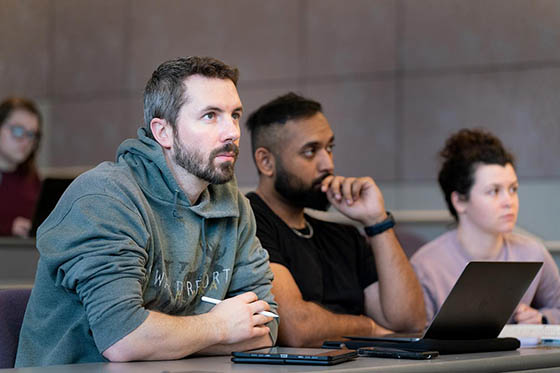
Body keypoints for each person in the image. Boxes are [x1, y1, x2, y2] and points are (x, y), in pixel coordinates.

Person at [16, 56, 278, 367]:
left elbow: (266, 328)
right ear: (163, 132)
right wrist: (220, 326)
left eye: (234, 115)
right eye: (210, 116)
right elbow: (123, 339)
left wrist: (166, 338)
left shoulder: (234, 206)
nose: (232, 132)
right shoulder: (104, 198)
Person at [244, 92, 426, 347]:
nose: (327, 164)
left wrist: (377, 222)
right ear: (266, 162)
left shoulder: (344, 236)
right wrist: (369, 327)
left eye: (329, 148)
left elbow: (408, 322)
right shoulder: (247, 223)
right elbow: (297, 328)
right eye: (310, 152)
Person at [411, 128, 560, 326]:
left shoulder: (533, 252)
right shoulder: (426, 266)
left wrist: (542, 319)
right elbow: (416, 337)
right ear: (459, 202)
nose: (509, 201)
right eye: (493, 191)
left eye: (513, 189)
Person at [0, 97, 42, 237]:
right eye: (18, 131)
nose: (26, 141)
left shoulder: (32, 178)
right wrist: (8, 228)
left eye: (31, 134)